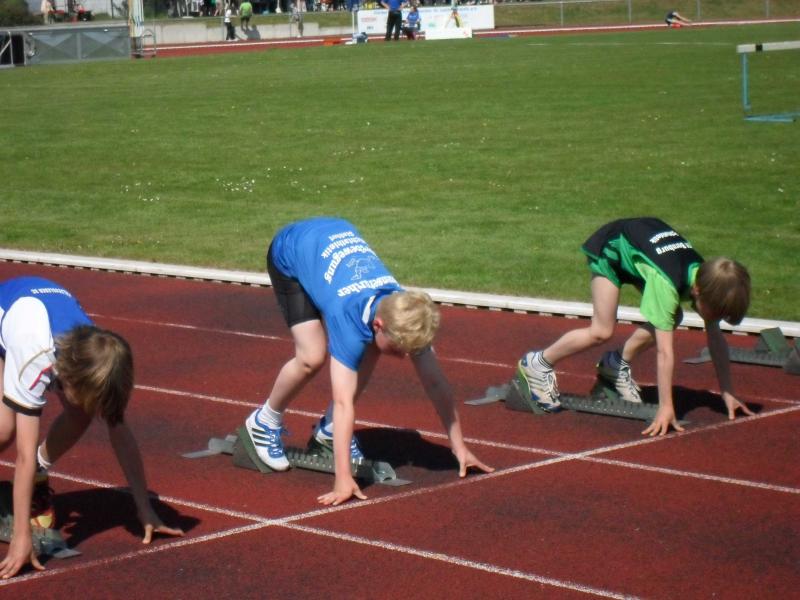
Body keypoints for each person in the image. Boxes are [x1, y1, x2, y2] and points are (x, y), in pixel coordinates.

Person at [244, 217, 494, 506]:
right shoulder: (347, 319)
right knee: (311, 357)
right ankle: (264, 422)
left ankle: (329, 432)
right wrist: (342, 478)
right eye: (400, 349)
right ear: (378, 324)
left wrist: (458, 447)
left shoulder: (407, 313)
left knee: (372, 347)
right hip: (291, 251)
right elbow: (343, 402)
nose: (404, 357)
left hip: (331, 240)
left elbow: (436, 384)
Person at [0, 276, 184, 579]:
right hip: (9, 317)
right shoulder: (34, 355)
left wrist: (145, 508)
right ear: (69, 379)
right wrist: (23, 537)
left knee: (81, 413)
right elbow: (23, 456)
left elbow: (121, 435)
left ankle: (39, 476)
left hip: (44, 320)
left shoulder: (101, 357)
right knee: (6, 428)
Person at [517, 217, 753, 436]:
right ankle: (537, 363)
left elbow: (716, 339)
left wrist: (727, 391)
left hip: (639, 249)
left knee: (672, 316)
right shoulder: (669, 283)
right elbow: (664, 353)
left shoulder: (707, 278)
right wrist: (666, 407)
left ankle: (615, 364)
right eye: (716, 313)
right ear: (698, 290)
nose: (716, 319)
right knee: (601, 331)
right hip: (611, 250)